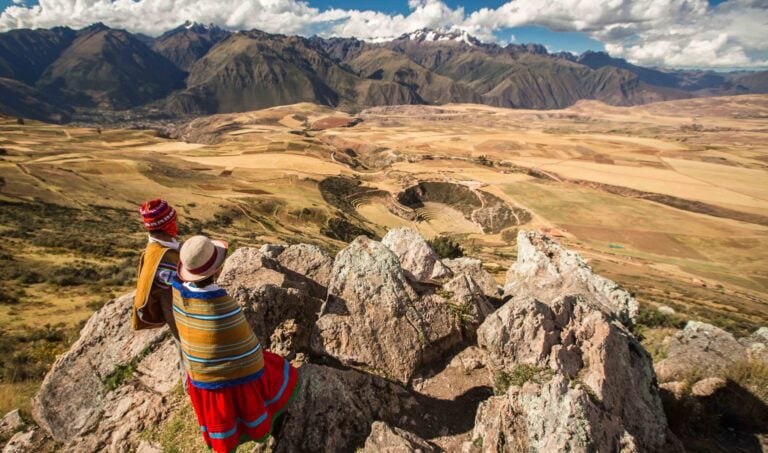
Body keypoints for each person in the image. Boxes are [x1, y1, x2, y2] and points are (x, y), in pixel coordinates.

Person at [172, 235, 299, 452]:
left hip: (199, 376)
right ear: (217, 270)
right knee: (280, 371)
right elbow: (248, 351)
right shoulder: (222, 306)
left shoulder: (179, 294)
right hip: (231, 380)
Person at [132, 198, 186, 383]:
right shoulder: (162, 257)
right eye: (174, 221)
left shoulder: (160, 249)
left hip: (180, 316)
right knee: (191, 361)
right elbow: (185, 286)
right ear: (167, 225)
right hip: (182, 318)